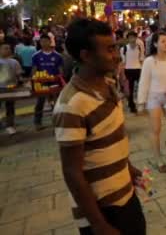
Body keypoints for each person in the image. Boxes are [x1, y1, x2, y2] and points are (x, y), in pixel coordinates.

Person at [54, 18, 145, 235]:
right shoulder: (72, 105)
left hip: (126, 195)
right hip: (103, 209)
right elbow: (72, 171)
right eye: (110, 49)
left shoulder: (109, 85)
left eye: (115, 48)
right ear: (86, 55)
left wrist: (128, 167)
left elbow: (112, 136)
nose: (116, 55)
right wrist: (99, 225)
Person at [137, 32, 166, 173]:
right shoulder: (149, 61)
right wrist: (141, 102)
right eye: (163, 41)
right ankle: (159, 160)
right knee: (155, 129)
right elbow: (144, 82)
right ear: (156, 44)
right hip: (154, 98)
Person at [32, 34, 64, 130]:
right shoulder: (36, 56)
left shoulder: (57, 56)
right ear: (40, 43)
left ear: (50, 42)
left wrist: (60, 78)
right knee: (40, 102)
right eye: (42, 41)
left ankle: (58, 122)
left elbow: (60, 69)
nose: (44, 43)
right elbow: (34, 70)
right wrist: (34, 81)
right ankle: (37, 123)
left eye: (46, 41)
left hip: (55, 82)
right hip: (41, 83)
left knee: (57, 102)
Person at [0, 42, 22, 135]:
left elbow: (18, 75)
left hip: (11, 88)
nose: (8, 50)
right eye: (5, 48)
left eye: (9, 48)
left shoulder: (14, 62)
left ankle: (10, 125)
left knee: (10, 107)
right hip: (0, 88)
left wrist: (19, 83)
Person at [122, 31, 145, 114]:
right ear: (128, 39)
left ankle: (140, 104)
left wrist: (143, 70)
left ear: (136, 38)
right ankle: (132, 105)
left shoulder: (139, 47)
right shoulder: (124, 48)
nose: (132, 39)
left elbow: (141, 59)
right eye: (130, 37)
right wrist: (122, 74)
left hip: (138, 69)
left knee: (141, 88)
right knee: (130, 90)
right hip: (128, 70)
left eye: (134, 37)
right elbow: (123, 62)